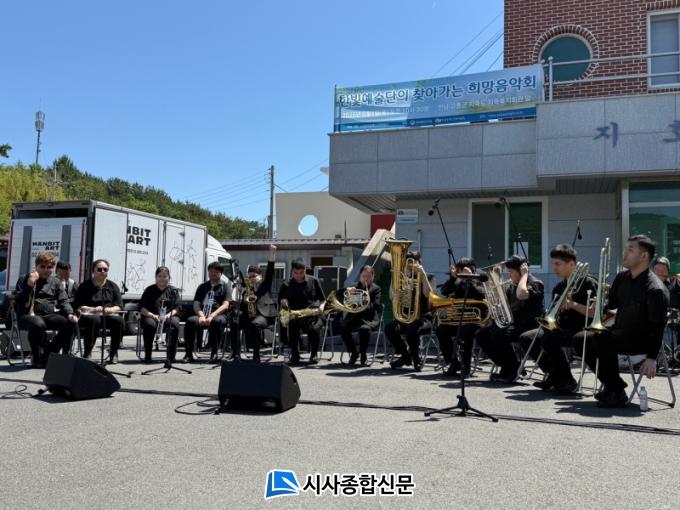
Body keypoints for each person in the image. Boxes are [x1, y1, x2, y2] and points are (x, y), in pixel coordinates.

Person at [574, 235, 669, 408]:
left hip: (642, 341)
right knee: (581, 338)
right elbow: (612, 306)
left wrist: (652, 358)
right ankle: (615, 387)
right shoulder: (621, 278)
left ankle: (614, 390)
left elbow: (658, 326)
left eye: (630, 250)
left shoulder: (655, 289)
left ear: (644, 256)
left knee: (602, 338)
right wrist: (600, 306)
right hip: (619, 333)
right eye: (625, 249)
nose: (625, 253)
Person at [519, 244, 597, 394]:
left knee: (550, 337)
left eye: (558, 264)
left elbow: (594, 313)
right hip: (561, 328)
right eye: (553, 264)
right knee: (526, 338)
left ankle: (566, 380)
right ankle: (555, 374)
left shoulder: (589, 283)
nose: (554, 268)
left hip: (581, 329)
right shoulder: (559, 287)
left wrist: (572, 305)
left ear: (572, 264)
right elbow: (553, 315)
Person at [475, 255, 545, 383]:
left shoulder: (535, 283)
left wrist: (525, 275)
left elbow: (522, 294)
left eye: (511, 272)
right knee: (482, 334)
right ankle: (509, 366)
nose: (510, 275)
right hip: (514, 324)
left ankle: (512, 369)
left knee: (499, 335)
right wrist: (491, 284)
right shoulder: (512, 285)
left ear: (521, 271)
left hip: (529, 325)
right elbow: (501, 301)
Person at [14, 252, 78, 368]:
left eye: (49, 267)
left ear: (53, 268)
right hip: (26, 316)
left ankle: (49, 353)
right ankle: (37, 357)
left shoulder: (56, 281)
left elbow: (64, 300)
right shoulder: (25, 279)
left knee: (70, 323)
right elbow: (19, 301)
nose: (45, 270)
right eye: (42, 267)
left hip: (48, 315)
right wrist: (29, 285)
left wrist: (70, 313)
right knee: (38, 324)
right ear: (36, 266)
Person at [435, 258, 485, 377]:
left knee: (465, 332)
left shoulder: (480, 278)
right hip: (457, 319)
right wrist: (453, 278)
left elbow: (481, 294)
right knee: (441, 330)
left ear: (472, 269)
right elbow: (445, 292)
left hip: (475, 321)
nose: (460, 272)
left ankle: (465, 368)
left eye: (462, 270)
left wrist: (469, 279)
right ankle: (453, 363)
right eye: (459, 270)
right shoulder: (457, 281)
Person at [385, 251, 434, 373]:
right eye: (408, 262)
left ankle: (416, 359)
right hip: (406, 317)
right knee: (389, 328)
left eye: (413, 262)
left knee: (412, 328)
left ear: (419, 262)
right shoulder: (403, 278)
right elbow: (392, 296)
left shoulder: (429, 277)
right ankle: (405, 355)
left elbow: (428, 295)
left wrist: (422, 274)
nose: (410, 265)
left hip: (423, 318)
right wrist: (395, 277)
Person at [75, 259, 125, 363]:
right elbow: (79, 305)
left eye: (105, 269)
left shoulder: (113, 286)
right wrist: (93, 309)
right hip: (89, 315)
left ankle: (113, 352)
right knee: (95, 319)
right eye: (99, 269)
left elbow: (120, 305)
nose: (103, 271)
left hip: (107, 315)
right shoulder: (85, 286)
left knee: (119, 321)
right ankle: (88, 352)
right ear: (93, 271)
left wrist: (110, 309)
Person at [183, 261, 233, 362]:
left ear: (221, 273)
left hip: (218, 314)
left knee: (216, 322)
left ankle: (214, 353)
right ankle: (188, 354)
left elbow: (225, 305)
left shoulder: (225, 287)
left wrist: (212, 315)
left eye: (216, 272)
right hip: (202, 314)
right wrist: (201, 315)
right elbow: (196, 304)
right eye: (211, 271)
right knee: (190, 321)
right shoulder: (202, 286)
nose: (213, 274)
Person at [278, 260, 326, 364]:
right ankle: (295, 354)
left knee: (314, 329)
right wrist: (284, 302)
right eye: (296, 273)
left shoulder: (314, 280)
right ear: (292, 271)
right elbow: (282, 303)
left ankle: (314, 354)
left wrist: (321, 308)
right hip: (296, 315)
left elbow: (323, 300)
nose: (299, 275)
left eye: (301, 272)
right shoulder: (286, 285)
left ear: (305, 270)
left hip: (314, 314)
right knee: (291, 323)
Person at [236, 245, 278, 362]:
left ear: (260, 276)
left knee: (255, 324)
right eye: (249, 277)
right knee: (234, 323)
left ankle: (256, 355)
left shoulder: (264, 285)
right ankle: (236, 354)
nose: (251, 278)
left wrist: (272, 255)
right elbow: (242, 307)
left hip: (264, 316)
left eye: (254, 276)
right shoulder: (246, 288)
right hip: (249, 315)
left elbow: (270, 271)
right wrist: (243, 299)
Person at [339, 265, 382, 366]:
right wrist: (347, 291)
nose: (366, 279)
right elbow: (341, 297)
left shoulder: (376, 289)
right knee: (343, 329)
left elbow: (375, 306)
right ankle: (354, 353)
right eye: (364, 276)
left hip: (369, 318)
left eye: (369, 276)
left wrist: (366, 301)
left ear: (373, 277)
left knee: (364, 330)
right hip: (353, 317)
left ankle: (363, 355)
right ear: (360, 276)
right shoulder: (354, 286)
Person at [139, 266, 181, 366]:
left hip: (168, 316)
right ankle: (148, 355)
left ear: (169, 277)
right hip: (152, 316)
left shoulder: (173, 291)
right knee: (149, 325)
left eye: (165, 276)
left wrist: (167, 315)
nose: (162, 278)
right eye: (160, 276)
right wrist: (153, 316)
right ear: (156, 277)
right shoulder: (149, 290)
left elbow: (177, 308)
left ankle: (171, 356)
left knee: (174, 324)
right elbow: (142, 308)